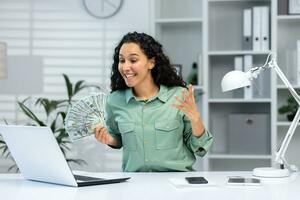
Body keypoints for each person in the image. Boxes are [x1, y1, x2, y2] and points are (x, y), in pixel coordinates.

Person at [94, 32, 213, 172]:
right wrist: (109, 139)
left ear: (151, 62)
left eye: (133, 60)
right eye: (121, 60)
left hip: (175, 183)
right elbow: (118, 138)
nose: (125, 67)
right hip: (134, 183)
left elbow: (200, 149)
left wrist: (196, 119)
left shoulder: (179, 96)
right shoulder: (115, 100)